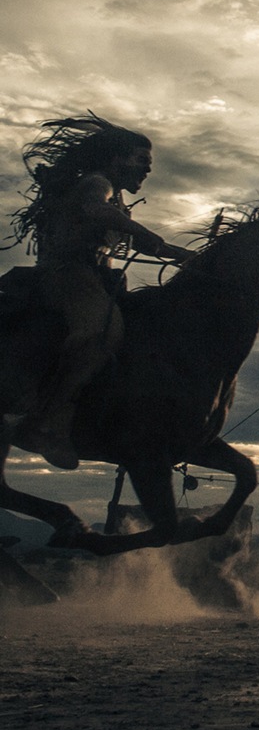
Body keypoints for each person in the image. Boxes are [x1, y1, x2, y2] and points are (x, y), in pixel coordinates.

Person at [3, 114, 190, 469]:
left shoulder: (115, 196)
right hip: (68, 275)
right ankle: (45, 420)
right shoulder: (97, 183)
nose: (147, 170)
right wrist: (145, 235)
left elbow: (144, 241)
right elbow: (96, 210)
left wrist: (187, 257)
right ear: (116, 159)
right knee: (101, 332)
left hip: (97, 277)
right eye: (142, 161)